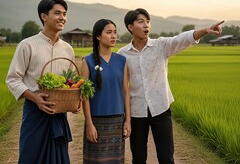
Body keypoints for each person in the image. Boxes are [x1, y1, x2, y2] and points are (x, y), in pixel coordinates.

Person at [117, 8, 224, 164]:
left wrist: (205, 31)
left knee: (166, 157)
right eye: (141, 22)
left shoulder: (161, 46)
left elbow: (182, 39)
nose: (146, 25)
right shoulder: (122, 54)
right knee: (138, 158)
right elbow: (122, 87)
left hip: (160, 109)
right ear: (130, 27)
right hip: (136, 112)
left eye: (148, 22)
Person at [6, 0, 80, 164]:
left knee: (58, 159)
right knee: (31, 157)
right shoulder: (28, 45)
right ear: (44, 16)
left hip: (58, 114)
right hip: (35, 114)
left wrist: (75, 99)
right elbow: (13, 79)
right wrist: (35, 97)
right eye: (57, 13)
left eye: (65, 14)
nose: (62, 17)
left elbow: (70, 81)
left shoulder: (67, 49)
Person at [81, 19, 131, 163]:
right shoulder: (87, 61)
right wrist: (89, 124)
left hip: (117, 121)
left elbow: (125, 91)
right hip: (96, 121)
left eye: (115, 32)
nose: (113, 36)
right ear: (98, 36)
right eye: (109, 32)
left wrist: (127, 120)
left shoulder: (122, 61)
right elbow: (84, 96)